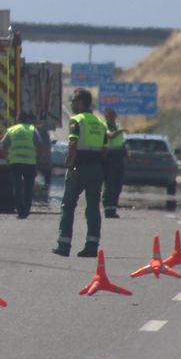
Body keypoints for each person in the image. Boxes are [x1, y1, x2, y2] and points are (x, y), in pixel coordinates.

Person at [54, 88, 109, 257]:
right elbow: (105, 150)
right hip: (96, 169)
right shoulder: (101, 124)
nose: (72, 104)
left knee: (68, 205)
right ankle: (92, 245)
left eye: (73, 101)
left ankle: (64, 244)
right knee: (93, 207)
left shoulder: (76, 121)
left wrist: (70, 166)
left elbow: (72, 144)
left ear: (80, 103)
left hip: (79, 169)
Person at [0, 110, 40, 218]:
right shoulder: (32, 130)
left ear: (18, 119)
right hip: (30, 163)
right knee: (28, 188)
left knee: (17, 187)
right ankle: (26, 211)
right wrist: (37, 160)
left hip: (15, 163)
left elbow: (4, 145)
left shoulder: (12, 130)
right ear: (27, 119)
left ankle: (20, 210)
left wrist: (7, 158)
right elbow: (40, 145)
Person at [102, 107, 126, 219]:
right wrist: (121, 131)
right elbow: (110, 136)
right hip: (109, 157)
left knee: (118, 185)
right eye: (110, 116)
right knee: (109, 185)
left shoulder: (118, 126)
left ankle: (113, 208)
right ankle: (108, 209)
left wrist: (126, 150)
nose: (112, 118)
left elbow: (121, 141)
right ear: (106, 117)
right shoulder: (103, 127)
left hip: (119, 158)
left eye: (113, 115)